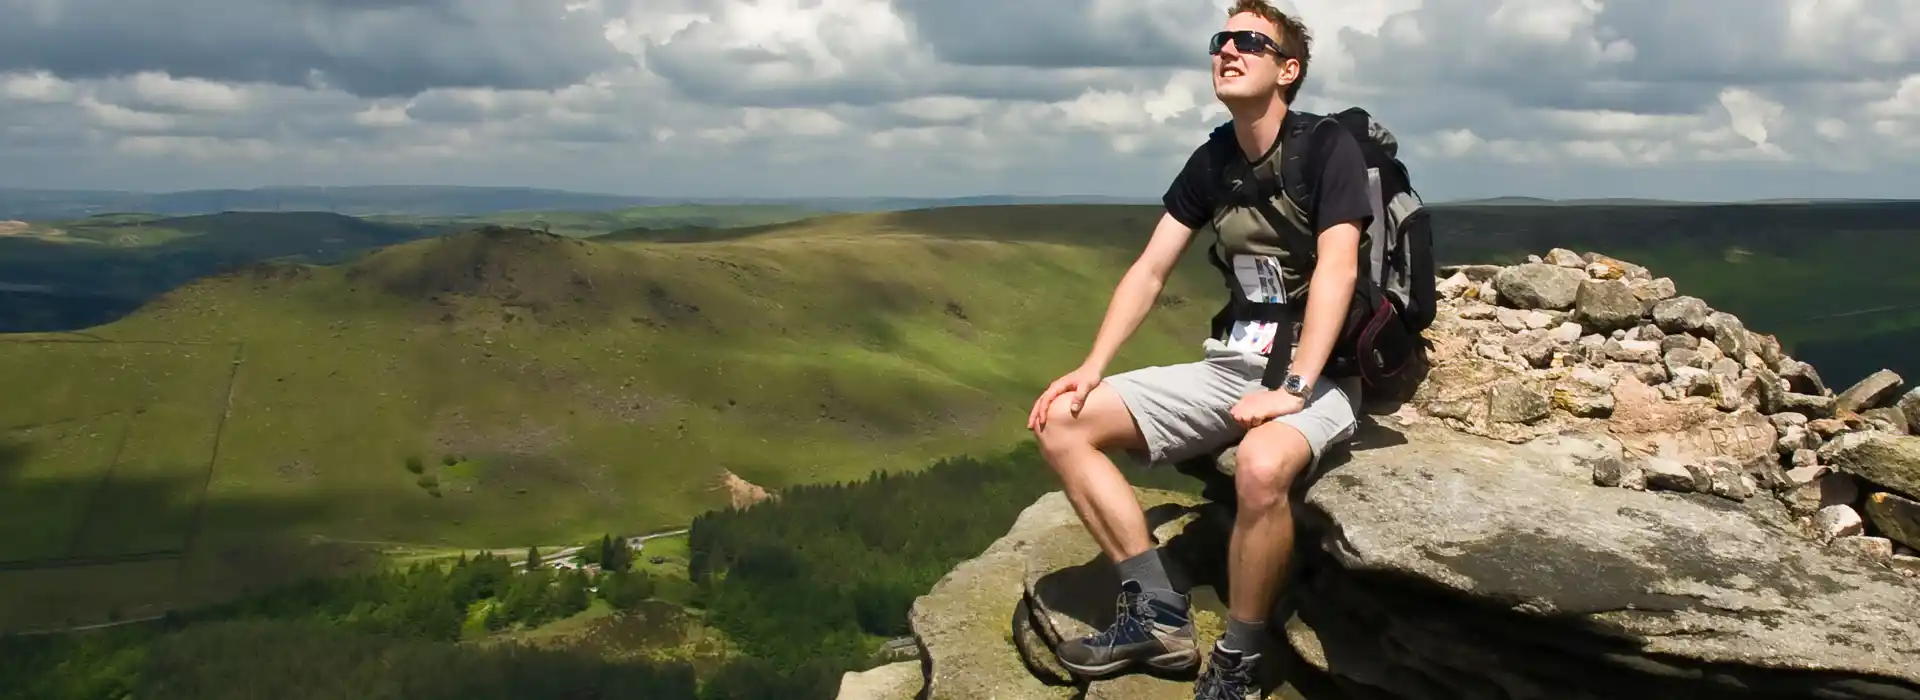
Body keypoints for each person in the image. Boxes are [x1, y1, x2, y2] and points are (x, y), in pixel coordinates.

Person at [1023, 1, 1374, 697]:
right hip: (1234, 361)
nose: (1228, 50)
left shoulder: (1329, 149)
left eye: (1250, 41)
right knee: (1061, 419)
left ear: (1288, 69)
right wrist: (1091, 370)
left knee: (1261, 467)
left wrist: (1296, 389)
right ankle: (1156, 613)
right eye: (1222, 40)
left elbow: (1339, 269)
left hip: (1321, 373)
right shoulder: (1215, 158)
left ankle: (1240, 657)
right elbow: (1150, 269)